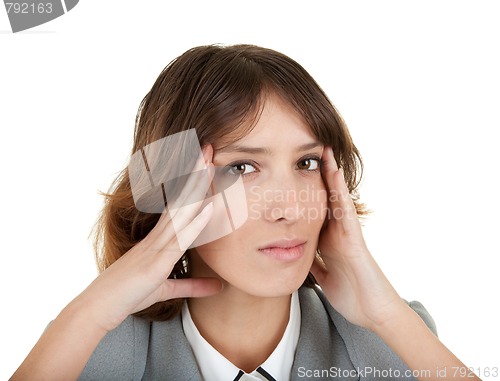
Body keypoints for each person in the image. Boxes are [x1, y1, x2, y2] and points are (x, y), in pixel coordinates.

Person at [11, 44, 480, 381]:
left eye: (307, 163)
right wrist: (88, 315)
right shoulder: (96, 347)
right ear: (172, 189)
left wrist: (387, 316)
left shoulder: (391, 338)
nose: (289, 208)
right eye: (242, 167)